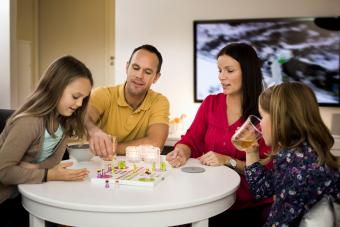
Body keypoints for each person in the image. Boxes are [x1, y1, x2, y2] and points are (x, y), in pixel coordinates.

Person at [166, 43, 273, 226]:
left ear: (247, 72)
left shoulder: (264, 112)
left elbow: (266, 170)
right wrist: (182, 150)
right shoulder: (210, 103)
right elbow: (190, 139)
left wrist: (228, 160)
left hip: (248, 206)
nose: (221, 77)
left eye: (229, 70)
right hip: (208, 198)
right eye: (219, 70)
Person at [0, 55, 93, 227]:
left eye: (84, 99)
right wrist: (49, 173)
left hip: (26, 191)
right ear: (55, 88)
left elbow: (53, 162)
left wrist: (33, 167)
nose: (80, 103)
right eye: (75, 96)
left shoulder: (64, 122)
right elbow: (4, 172)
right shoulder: (29, 122)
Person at [245, 82, 340, 227]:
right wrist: (251, 152)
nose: (259, 125)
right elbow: (262, 190)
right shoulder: (298, 153)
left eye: (262, 116)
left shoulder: (296, 169)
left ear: (279, 119)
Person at [85, 44, 169, 158]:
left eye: (148, 72)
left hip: (136, 170)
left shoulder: (159, 102)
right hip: (99, 166)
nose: (139, 75)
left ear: (156, 77)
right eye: (135, 68)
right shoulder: (103, 94)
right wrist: (94, 131)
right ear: (127, 67)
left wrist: (110, 147)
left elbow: (155, 144)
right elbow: (84, 118)